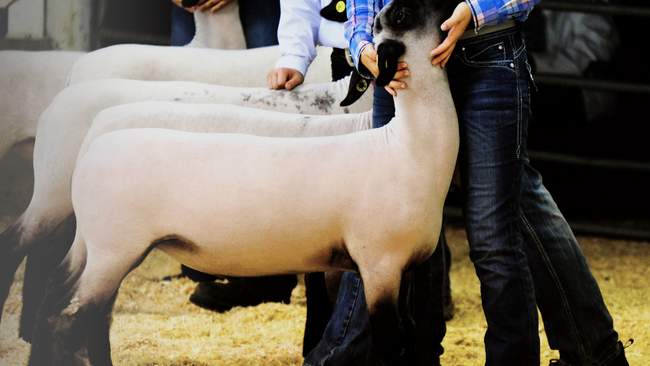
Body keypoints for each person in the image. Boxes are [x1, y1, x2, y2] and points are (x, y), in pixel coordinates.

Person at [343, 0, 632, 365]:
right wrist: (360, 41)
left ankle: (575, 352)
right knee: (401, 228)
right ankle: (596, 350)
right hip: (400, 54)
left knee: (493, 234)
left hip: (485, 45)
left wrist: (476, 10)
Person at [167, 0, 298, 313]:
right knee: (192, 123)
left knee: (266, 122)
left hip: (258, 7)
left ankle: (269, 276)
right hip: (189, 10)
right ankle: (203, 263)